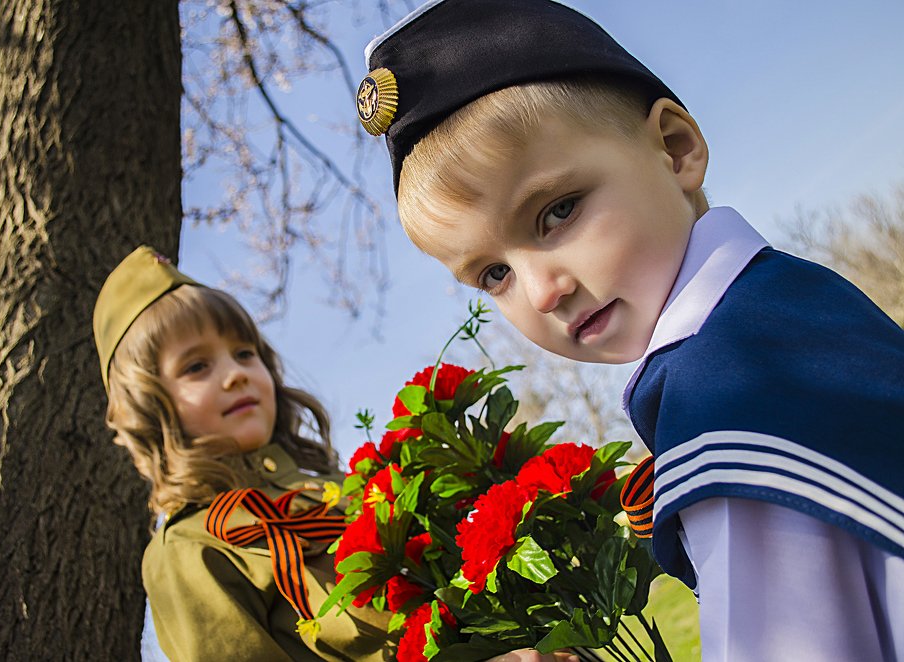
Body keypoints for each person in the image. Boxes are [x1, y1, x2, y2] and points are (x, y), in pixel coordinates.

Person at [356, 1, 904, 660]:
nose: (543, 292)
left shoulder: (724, 398)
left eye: (558, 211)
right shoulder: (786, 308)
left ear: (675, 147)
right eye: (494, 274)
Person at [93, 246, 575, 662]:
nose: (237, 374)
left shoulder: (338, 489)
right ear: (148, 405)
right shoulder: (189, 550)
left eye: (244, 353)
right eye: (196, 366)